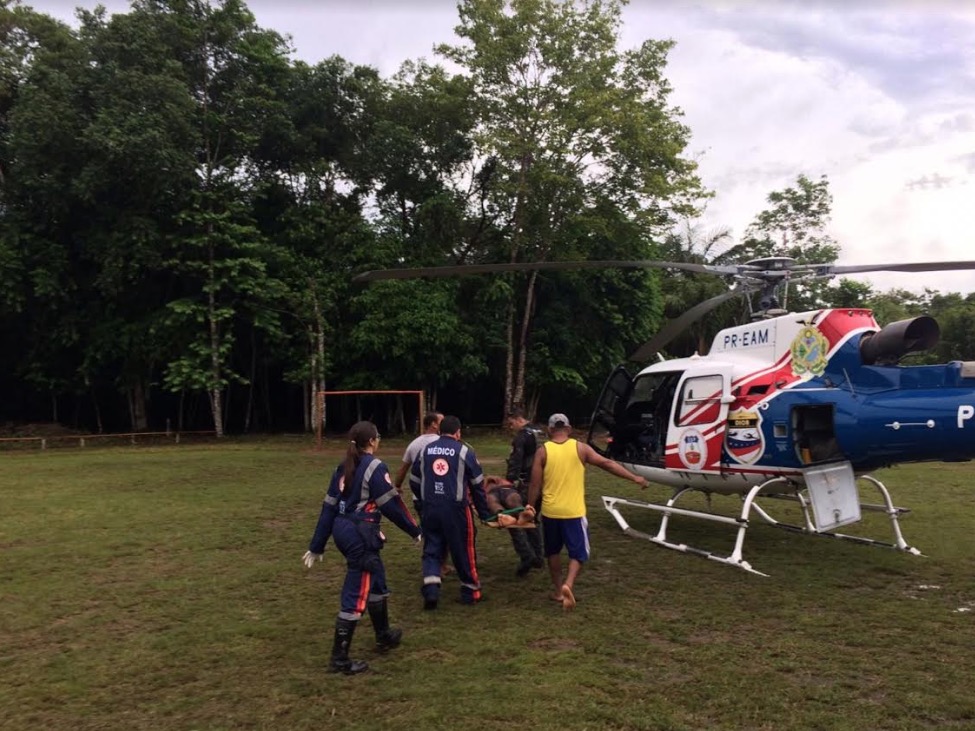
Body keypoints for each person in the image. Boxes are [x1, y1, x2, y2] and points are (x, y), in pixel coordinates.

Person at [302, 420, 421, 675]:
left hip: (343, 530)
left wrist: (317, 545)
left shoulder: (342, 468)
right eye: (378, 437)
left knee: (376, 580)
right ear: (372, 441)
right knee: (356, 592)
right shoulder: (375, 467)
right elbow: (391, 503)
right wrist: (414, 530)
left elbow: (328, 508)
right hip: (361, 535)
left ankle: (383, 635)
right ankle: (339, 659)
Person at [528, 413, 648, 611]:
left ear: (549, 430)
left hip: (550, 512)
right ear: (568, 428)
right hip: (573, 512)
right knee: (579, 553)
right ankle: (569, 584)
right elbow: (606, 463)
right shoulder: (580, 448)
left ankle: (558, 591)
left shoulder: (543, 451)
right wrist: (634, 478)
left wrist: (530, 507)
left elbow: (535, 484)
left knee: (553, 551)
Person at [409, 415, 493, 609]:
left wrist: (423, 500)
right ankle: (470, 591)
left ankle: (431, 588)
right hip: (456, 510)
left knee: (432, 548)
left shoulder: (425, 450)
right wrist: (484, 512)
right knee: (463, 548)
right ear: (458, 432)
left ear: (440, 431)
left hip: (430, 507)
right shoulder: (465, 451)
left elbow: (414, 480)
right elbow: (478, 485)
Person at [504, 408, 546, 575]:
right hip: (544, 483)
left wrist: (509, 480)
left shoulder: (522, 436)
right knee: (533, 517)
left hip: (527, 483)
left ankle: (526, 555)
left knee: (514, 519)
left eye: (511, 423)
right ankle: (538, 556)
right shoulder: (541, 432)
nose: (511, 427)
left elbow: (516, 459)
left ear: (518, 420)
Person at [393, 411, 443, 496]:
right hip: (440, 491)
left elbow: (403, 469)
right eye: (442, 422)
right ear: (434, 424)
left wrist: (397, 486)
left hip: (419, 493)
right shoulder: (443, 442)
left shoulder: (413, 444)